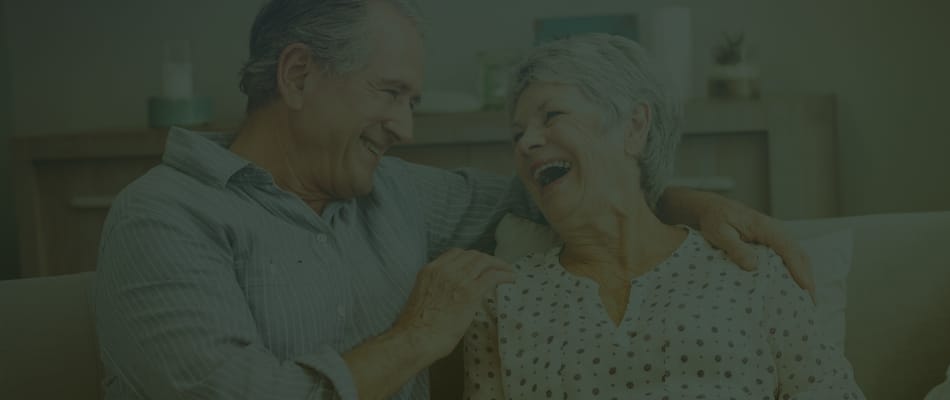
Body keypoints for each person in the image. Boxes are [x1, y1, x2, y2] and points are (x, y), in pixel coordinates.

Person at [93, 1, 813, 399]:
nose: (404, 128)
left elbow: (562, 191)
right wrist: (415, 337)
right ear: (298, 75)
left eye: (411, 101)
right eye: (390, 93)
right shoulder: (165, 217)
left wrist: (686, 203)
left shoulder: (394, 192)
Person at [463, 33, 863, 399]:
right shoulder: (504, 300)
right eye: (517, 134)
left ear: (634, 127)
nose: (527, 143)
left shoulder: (750, 271)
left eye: (552, 116)